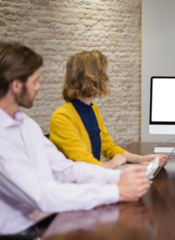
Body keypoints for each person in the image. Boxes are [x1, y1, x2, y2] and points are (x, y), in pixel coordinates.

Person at [0, 43, 150, 235]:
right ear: (16, 85)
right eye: (35, 80)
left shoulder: (26, 125)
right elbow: (43, 195)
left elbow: (65, 169)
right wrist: (116, 191)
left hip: (48, 220)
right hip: (24, 233)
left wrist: (119, 176)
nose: (39, 86)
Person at [49, 50, 167, 169]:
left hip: (95, 180)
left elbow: (108, 147)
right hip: (77, 184)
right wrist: (114, 163)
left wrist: (140, 159)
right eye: (103, 73)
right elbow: (85, 164)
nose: (106, 77)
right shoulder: (61, 117)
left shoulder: (93, 109)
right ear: (91, 77)